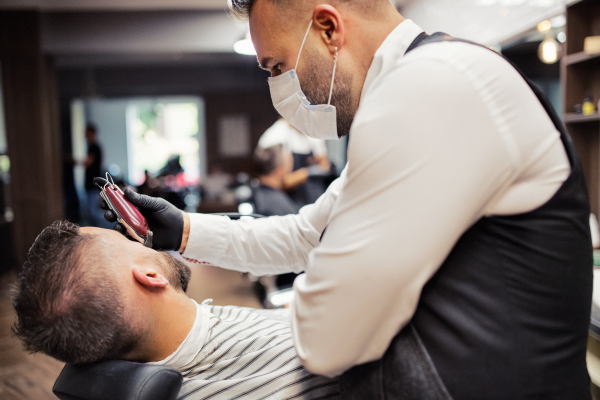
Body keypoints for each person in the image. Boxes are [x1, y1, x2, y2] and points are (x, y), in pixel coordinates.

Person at [100, 0, 593, 398]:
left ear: (329, 28)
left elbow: (326, 340)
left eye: (277, 67)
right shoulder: (412, 90)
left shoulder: (433, 87)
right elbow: (309, 232)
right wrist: (185, 229)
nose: (278, 89)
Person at [11, 220, 340, 399]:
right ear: (150, 276)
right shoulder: (304, 348)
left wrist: (186, 227)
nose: (142, 240)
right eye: (127, 241)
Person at [259, 119, 330, 206]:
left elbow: (325, 165)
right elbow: (273, 179)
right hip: (289, 199)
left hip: (315, 198)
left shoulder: (313, 133)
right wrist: (305, 173)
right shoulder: (274, 136)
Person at [253, 144, 300, 217]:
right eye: (289, 165)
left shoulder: (254, 195)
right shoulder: (283, 210)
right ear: (279, 171)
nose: (290, 169)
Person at [81, 124, 111, 229]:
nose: (85, 136)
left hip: (93, 185)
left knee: (94, 212)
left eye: (86, 133)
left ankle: (104, 232)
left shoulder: (94, 147)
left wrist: (73, 161)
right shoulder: (93, 147)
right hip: (92, 185)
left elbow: (87, 163)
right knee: (92, 212)